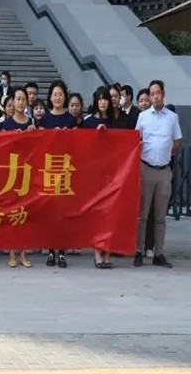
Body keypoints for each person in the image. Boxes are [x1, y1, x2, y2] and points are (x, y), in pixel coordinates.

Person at [134, 80, 182, 269]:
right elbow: (136, 139)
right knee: (142, 215)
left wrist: (167, 150)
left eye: (158, 93)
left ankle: (159, 253)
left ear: (163, 94)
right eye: (152, 94)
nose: (155, 97)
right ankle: (139, 251)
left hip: (164, 171)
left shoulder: (172, 117)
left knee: (161, 216)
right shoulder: (143, 116)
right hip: (146, 168)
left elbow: (178, 140)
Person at [38, 80, 76, 268]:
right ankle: (51, 251)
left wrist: (68, 135)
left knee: (63, 214)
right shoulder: (44, 119)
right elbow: (38, 144)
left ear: (64, 97)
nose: (58, 97)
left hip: (66, 171)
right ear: (50, 97)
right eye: (55, 94)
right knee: (50, 213)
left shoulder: (70, 119)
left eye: (61, 94)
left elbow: (78, 143)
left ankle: (62, 252)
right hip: (49, 170)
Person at [80, 86, 115, 268]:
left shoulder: (115, 121)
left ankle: (108, 252)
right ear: (95, 101)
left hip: (113, 175)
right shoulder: (88, 122)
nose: (103, 102)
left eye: (105, 98)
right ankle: (96, 252)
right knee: (97, 215)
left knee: (110, 215)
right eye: (100, 99)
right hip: (94, 175)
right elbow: (82, 147)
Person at [0, 87, 34, 269]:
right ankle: (12, 252)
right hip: (11, 174)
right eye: (18, 99)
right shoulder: (6, 124)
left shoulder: (31, 123)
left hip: (27, 173)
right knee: (12, 214)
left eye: (23, 99)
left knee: (25, 214)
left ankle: (24, 252)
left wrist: (33, 133)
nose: (21, 102)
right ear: (13, 101)